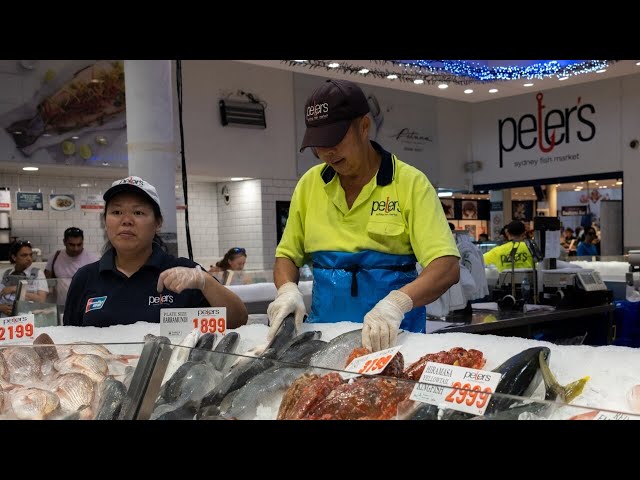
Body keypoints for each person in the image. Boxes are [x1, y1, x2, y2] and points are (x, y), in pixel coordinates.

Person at [267, 78, 460, 352]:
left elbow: (447, 268)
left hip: (393, 341)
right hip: (324, 340)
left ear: (364, 127)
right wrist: (287, 290)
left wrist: (396, 304)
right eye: (318, 144)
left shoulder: (410, 183)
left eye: (334, 140)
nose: (327, 153)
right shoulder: (310, 185)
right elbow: (287, 255)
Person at [63, 176, 248, 328]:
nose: (126, 220)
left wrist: (205, 281)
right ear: (105, 221)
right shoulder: (86, 277)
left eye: (138, 213)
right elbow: (70, 340)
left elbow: (237, 320)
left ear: (158, 223)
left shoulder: (185, 272)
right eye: (117, 212)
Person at [45, 227, 100, 308]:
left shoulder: (93, 260)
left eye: (79, 244)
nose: (76, 248)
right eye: (71, 245)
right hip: (62, 307)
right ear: (64, 242)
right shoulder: (55, 258)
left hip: (84, 308)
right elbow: (47, 282)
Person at [0, 240, 49, 317]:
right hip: (5, 318)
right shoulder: (5, 274)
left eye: (30, 255)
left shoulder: (38, 274)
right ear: (14, 257)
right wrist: (1, 308)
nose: (29, 258)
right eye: (24, 255)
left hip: (30, 317)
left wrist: (16, 289)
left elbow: (41, 300)